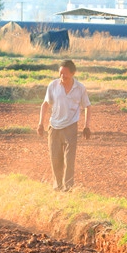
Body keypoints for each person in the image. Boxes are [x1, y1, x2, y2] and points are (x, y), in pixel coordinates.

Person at [37, 60, 91, 192]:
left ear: (73, 73)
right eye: (60, 73)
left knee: (69, 160)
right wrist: (40, 124)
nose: (62, 76)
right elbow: (45, 104)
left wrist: (86, 126)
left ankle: (68, 188)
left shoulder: (80, 88)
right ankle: (57, 187)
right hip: (54, 127)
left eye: (65, 74)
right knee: (55, 159)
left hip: (70, 127)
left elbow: (87, 106)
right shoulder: (53, 86)